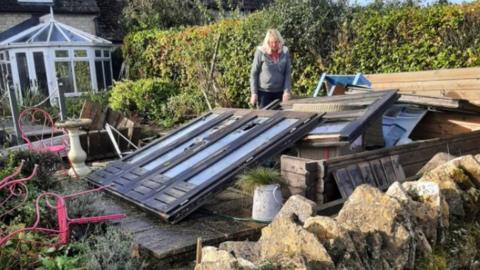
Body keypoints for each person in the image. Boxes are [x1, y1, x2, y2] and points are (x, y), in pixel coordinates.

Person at [250, 29, 291, 108]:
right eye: (271, 42)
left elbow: (287, 73)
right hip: (264, 93)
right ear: (267, 42)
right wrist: (254, 93)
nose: (274, 44)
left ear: (280, 41)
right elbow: (254, 73)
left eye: (276, 42)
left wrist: (286, 91)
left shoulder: (285, 51)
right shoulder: (261, 52)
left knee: (280, 118)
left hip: (280, 92)